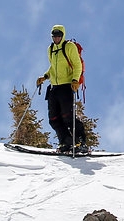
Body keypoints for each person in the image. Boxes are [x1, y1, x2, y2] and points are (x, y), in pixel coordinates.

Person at [36, 24, 87, 154]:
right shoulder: (51, 49)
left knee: (67, 116)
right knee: (53, 119)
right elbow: (53, 67)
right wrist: (45, 76)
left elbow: (76, 65)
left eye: (59, 35)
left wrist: (75, 80)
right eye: (54, 35)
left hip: (66, 86)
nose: (56, 37)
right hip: (54, 87)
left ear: (63, 35)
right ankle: (66, 142)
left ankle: (81, 142)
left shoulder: (69, 47)